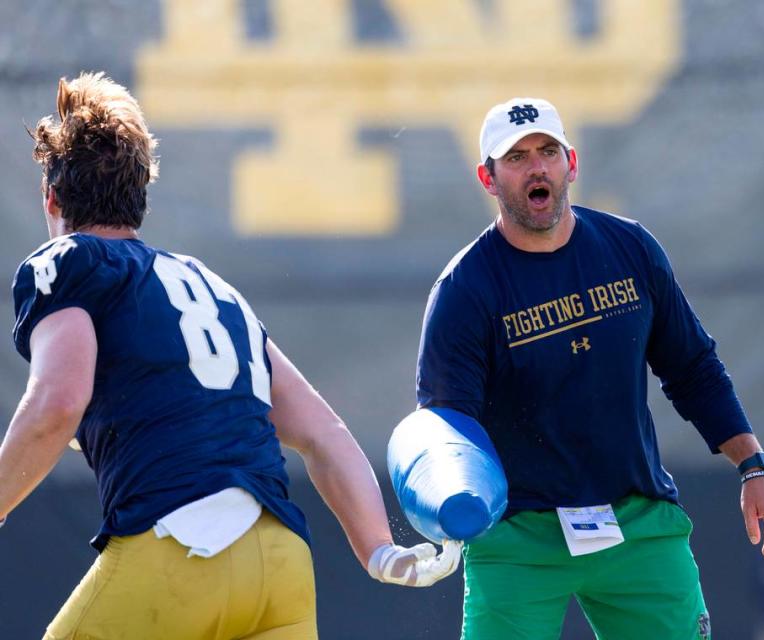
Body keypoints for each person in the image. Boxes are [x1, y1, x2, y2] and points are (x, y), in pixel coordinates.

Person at [0, 71, 459, 640]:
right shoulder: (210, 286)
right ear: (140, 193)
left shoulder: (64, 260)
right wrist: (379, 549)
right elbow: (323, 431)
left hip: (181, 550)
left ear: (51, 196)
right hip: (281, 569)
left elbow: (57, 402)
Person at [416, 97, 764, 640]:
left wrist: (755, 467)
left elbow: (693, 368)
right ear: (488, 177)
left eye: (547, 151)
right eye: (516, 157)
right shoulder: (464, 290)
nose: (536, 167)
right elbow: (447, 428)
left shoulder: (629, 248)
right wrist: (448, 506)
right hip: (517, 535)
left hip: (635, 520)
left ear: (572, 163)